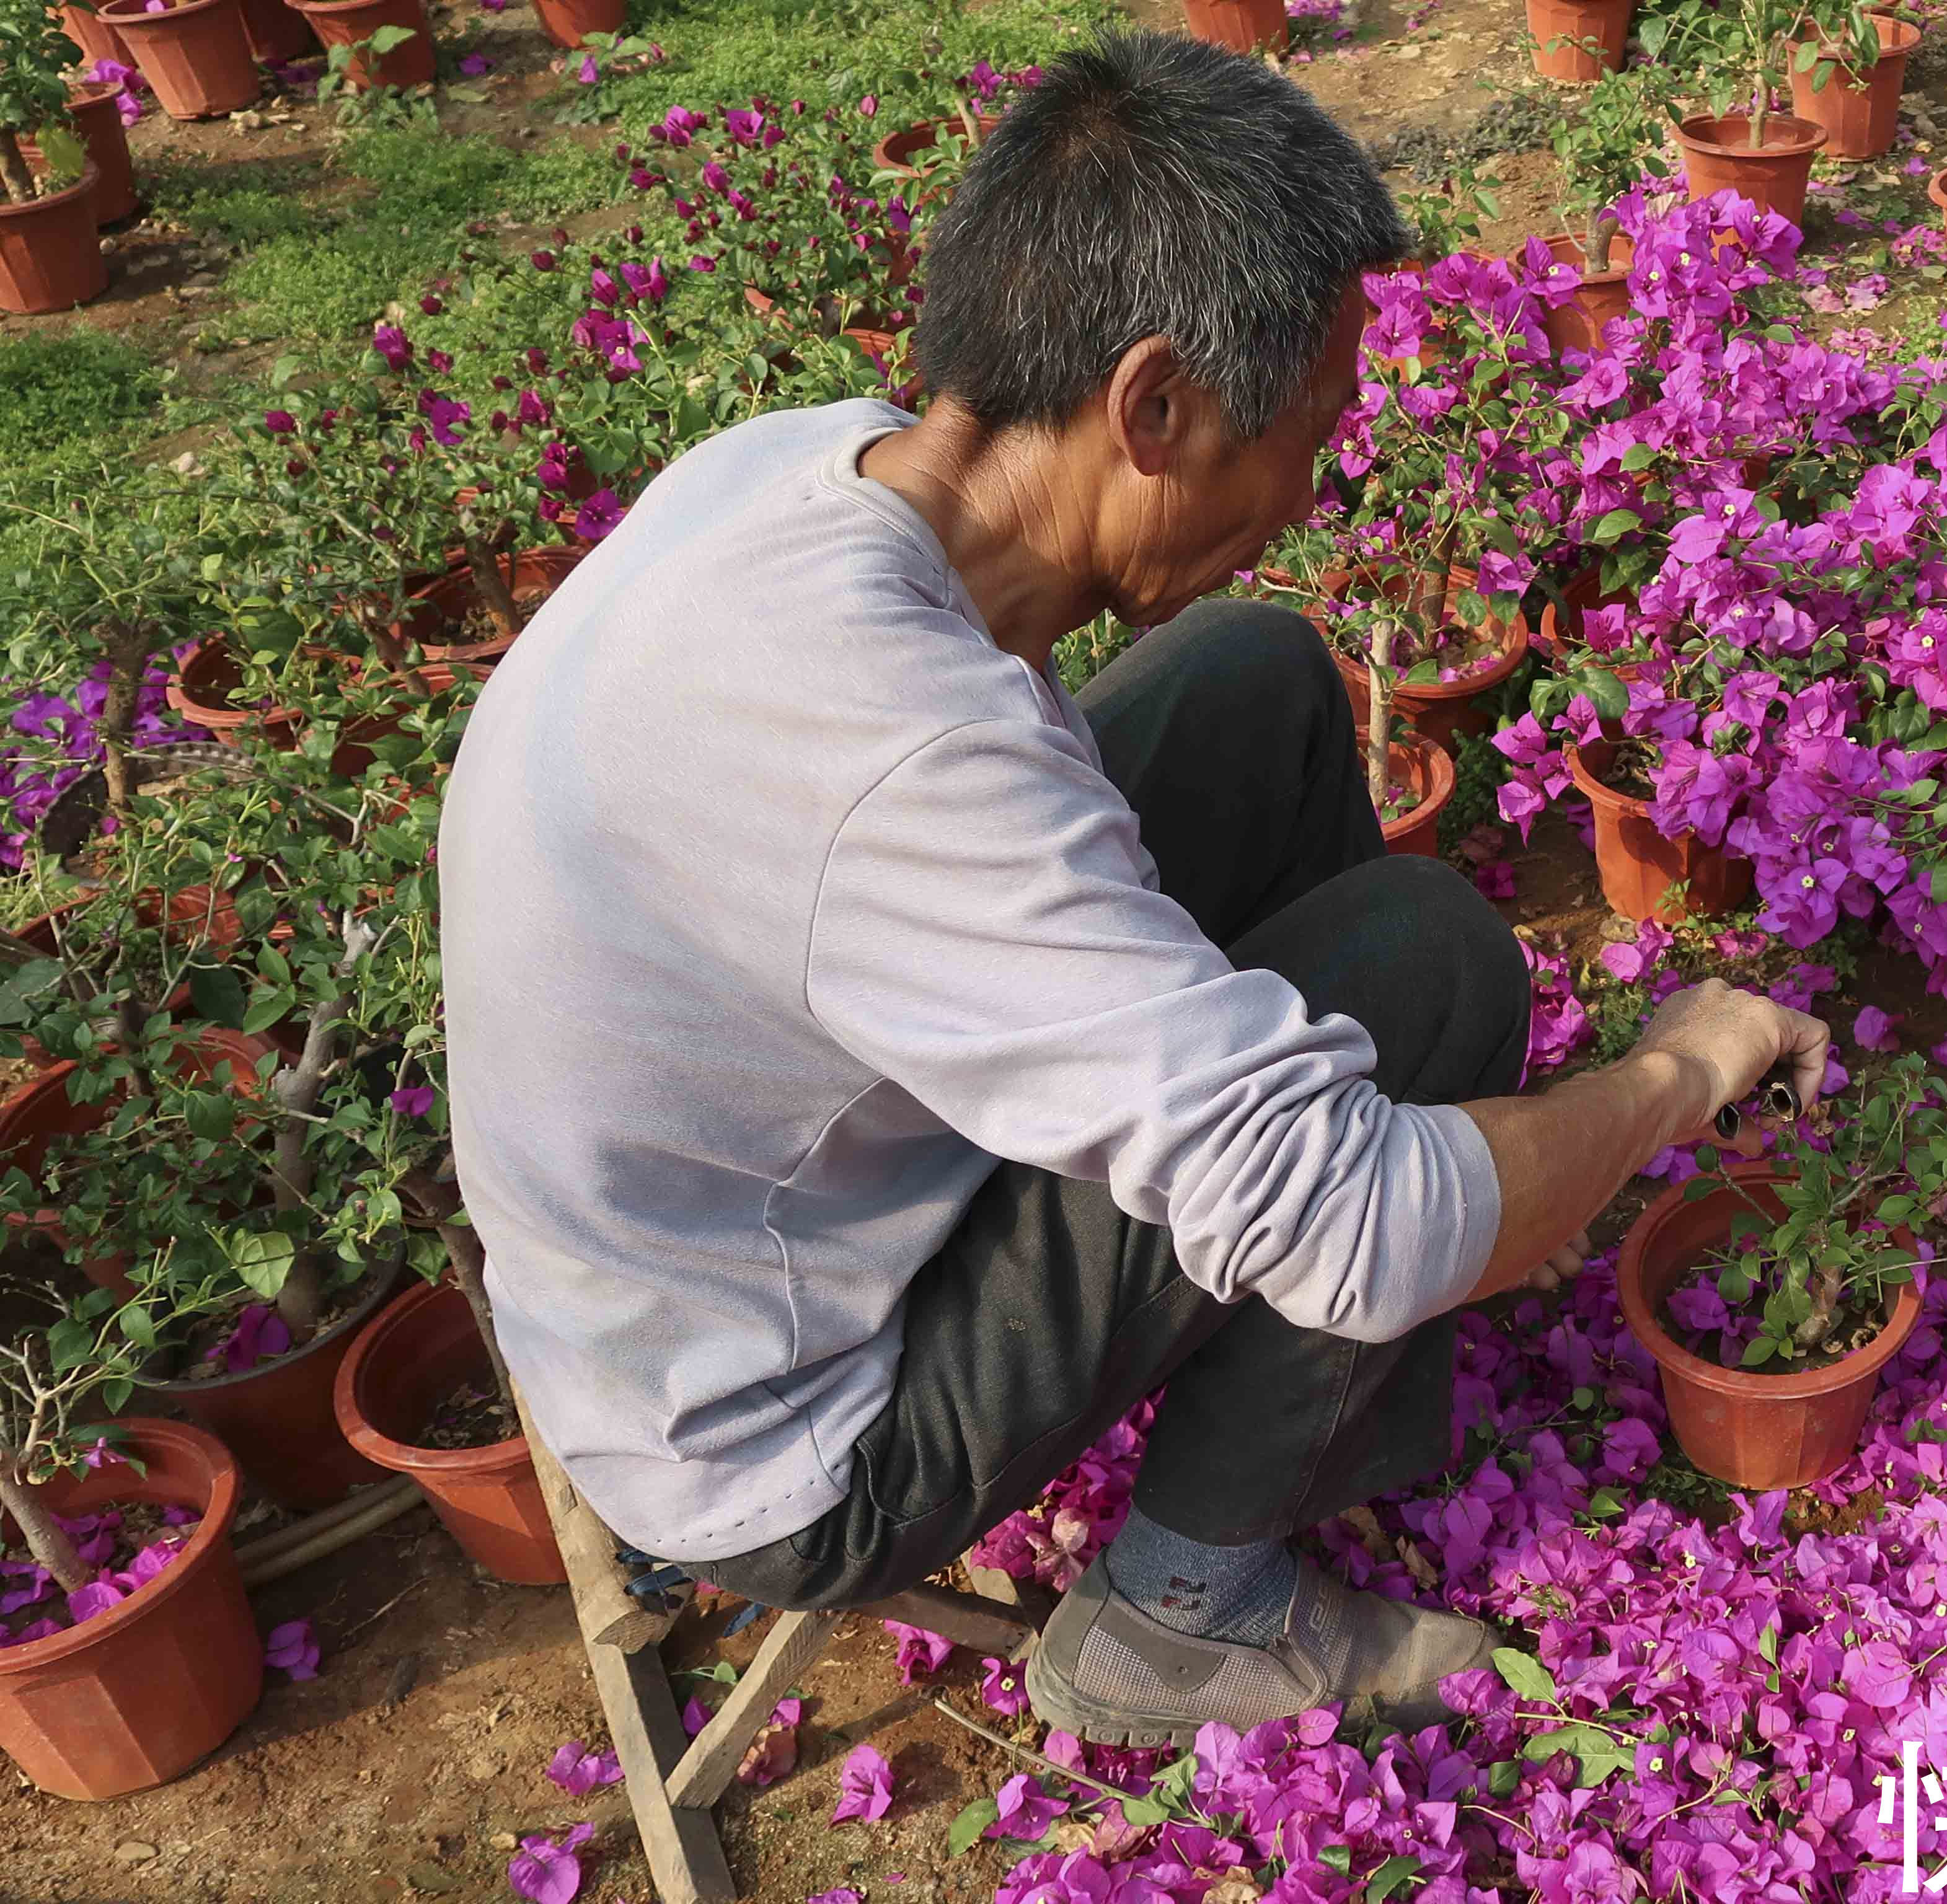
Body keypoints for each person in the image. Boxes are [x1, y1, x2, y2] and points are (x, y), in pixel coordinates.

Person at [436, 31, 1826, 1748]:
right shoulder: (898, 764)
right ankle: (1182, 1615)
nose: (1314, 490)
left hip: (701, 1236)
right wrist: (1680, 1070)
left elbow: (942, 814)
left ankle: (1287, 1315)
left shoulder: (815, 470)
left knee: (1254, 675)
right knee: (1428, 969)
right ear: (1151, 405)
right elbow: (1357, 1209)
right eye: (1304, 436)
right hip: (777, 1433)